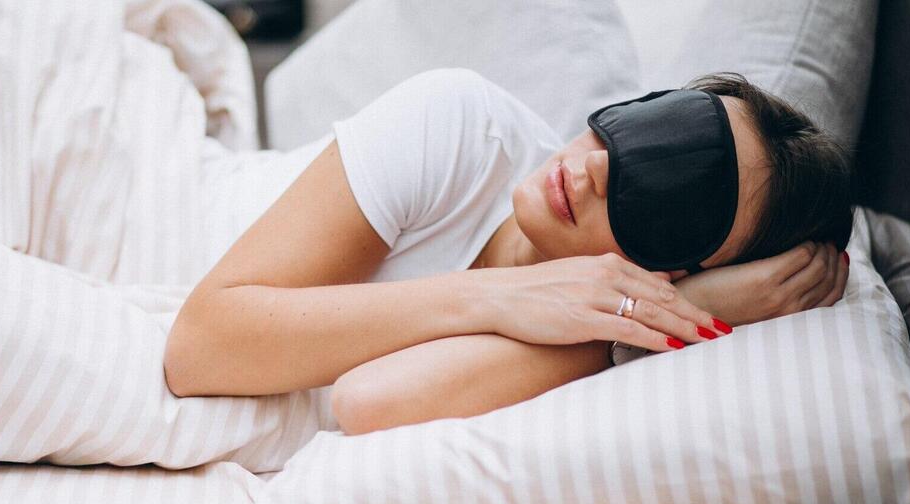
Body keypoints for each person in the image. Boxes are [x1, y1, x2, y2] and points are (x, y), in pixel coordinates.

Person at [165, 69, 853, 434]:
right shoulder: (461, 126)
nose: (595, 168)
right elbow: (199, 346)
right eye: (645, 132)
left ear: (667, 275)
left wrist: (655, 319)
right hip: (142, 193)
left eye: (663, 199)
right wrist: (500, 297)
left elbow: (365, 400)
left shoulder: (578, 354)